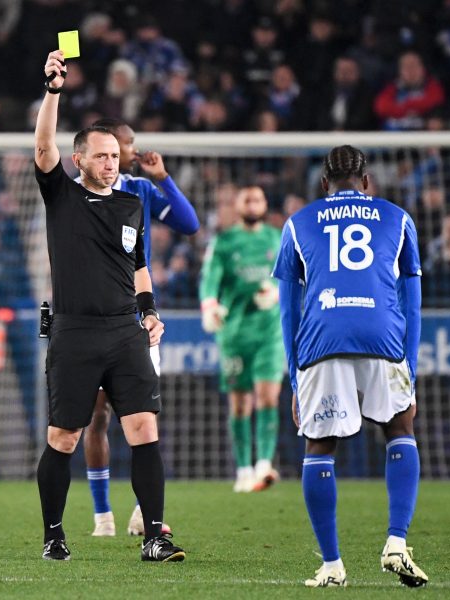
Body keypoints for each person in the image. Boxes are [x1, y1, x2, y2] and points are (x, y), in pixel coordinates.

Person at [34, 49, 184, 563]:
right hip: (74, 332)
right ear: (79, 160)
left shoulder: (132, 204)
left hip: (125, 332)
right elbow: (43, 145)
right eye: (101, 156)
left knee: (144, 430)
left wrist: (149, 311)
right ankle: (54, 534)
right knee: (64, 437)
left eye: (115, 156)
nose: (111, 163)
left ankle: (154, 537)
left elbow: (138, 264)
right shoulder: (61, 195)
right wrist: (54, 91)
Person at [272, 145, 427, 587]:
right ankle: (396, 542)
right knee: (400, 429)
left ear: (323, 183)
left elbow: (289, 310)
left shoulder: (298, 223)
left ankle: (332, 565)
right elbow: (413, 303)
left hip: (323, 338)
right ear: (367, 182)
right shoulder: (398, 218)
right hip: (383, 335)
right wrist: (410, 368)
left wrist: (295, 377)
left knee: (320, 447)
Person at [79, 117, 200, 537]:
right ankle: (102, 515)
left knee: (143, 417)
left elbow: (189, 224)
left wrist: (163, 178)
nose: (131, 151)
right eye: (126, 144)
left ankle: (141, 510)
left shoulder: (141, 190)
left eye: (126, 147)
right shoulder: (76, 194)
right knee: (95, 417)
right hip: (91, 320)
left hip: (137, 319)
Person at [199, 186, 284, 493]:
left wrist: (276, 292)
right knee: (239, 404)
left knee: (268, 396)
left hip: (270, 332)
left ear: (265, 204)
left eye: (257, 199)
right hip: (234, 334)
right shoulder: (224, 242)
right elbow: (210, 280)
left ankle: (264, 464)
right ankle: (244, 469)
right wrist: (209, 307)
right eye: (247, 200)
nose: (252, 205)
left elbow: (290, 276)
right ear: (237, 205)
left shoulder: (276, 238)